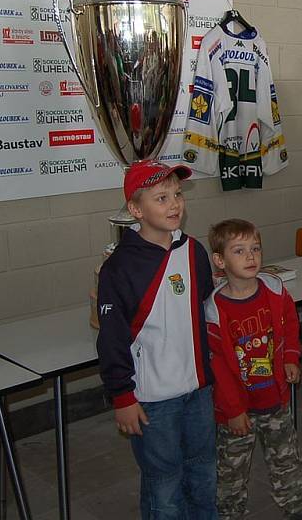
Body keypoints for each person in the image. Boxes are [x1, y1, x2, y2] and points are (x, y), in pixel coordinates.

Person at [96, 160, 217, 520]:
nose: (175, 204)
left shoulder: (194, 251)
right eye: (161, 198)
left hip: (198, 392)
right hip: (153, 403)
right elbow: (112, 339)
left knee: (204, 475)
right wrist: (122, 397)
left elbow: (202, 313)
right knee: (164, 487)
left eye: (177, 195)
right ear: (136, 209)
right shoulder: (120, 267)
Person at [206, 218, 302, 520]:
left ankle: (298, 509)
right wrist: (233, 410)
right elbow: (218, 368)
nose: (250, 257)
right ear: (219, 260)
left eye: (255, 249)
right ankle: (229, 513)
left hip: (275, 399)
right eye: (239, 251)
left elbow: (290, 323)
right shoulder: (215, 312)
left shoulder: (274, 291)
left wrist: (291, 357)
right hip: (237, 410)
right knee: (231, 471)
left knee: (287, 460)